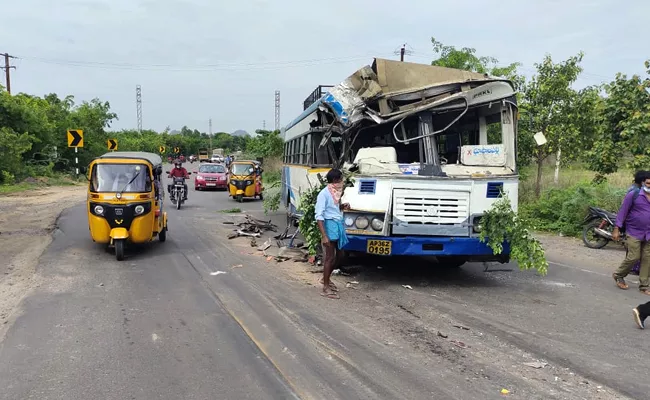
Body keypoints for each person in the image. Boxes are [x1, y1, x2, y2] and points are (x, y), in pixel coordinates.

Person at [315, 169, 350, 299]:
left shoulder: (335, 193)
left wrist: (342, 207)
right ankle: (325, 287)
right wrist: (324, 235)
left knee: (340, 255)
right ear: (335, 181)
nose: (342, 182)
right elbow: (319, 216)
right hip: (329, 226)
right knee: (329, 257)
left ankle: (326, 278)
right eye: (341, 179)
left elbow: (333, 209)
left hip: (338, 224)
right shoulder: (323, 194)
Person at [612, 174, 650, 293]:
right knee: (634, 256)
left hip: (648, 233)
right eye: (649, 183)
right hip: (634, 231)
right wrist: (616, 228)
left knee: (647, 258)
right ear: (643, 182)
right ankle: (619, 274)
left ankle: (644, 286)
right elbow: (623, 212)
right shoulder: (634, 195)